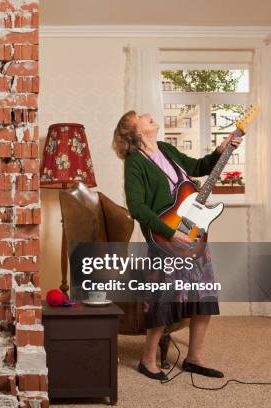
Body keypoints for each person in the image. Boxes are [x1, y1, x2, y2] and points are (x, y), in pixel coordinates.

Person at [114, 111, 242, 380]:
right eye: (141, 116)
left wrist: (220, 150)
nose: (148, 116)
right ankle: (147, 359)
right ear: (134, 132)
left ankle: (194, 357)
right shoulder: (135, 163)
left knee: (204, 296)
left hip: (193, 236)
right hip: (166, 241)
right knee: (163, 300)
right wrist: (170, 233)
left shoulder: (166, 149)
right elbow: (137, 207)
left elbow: (197, 167)